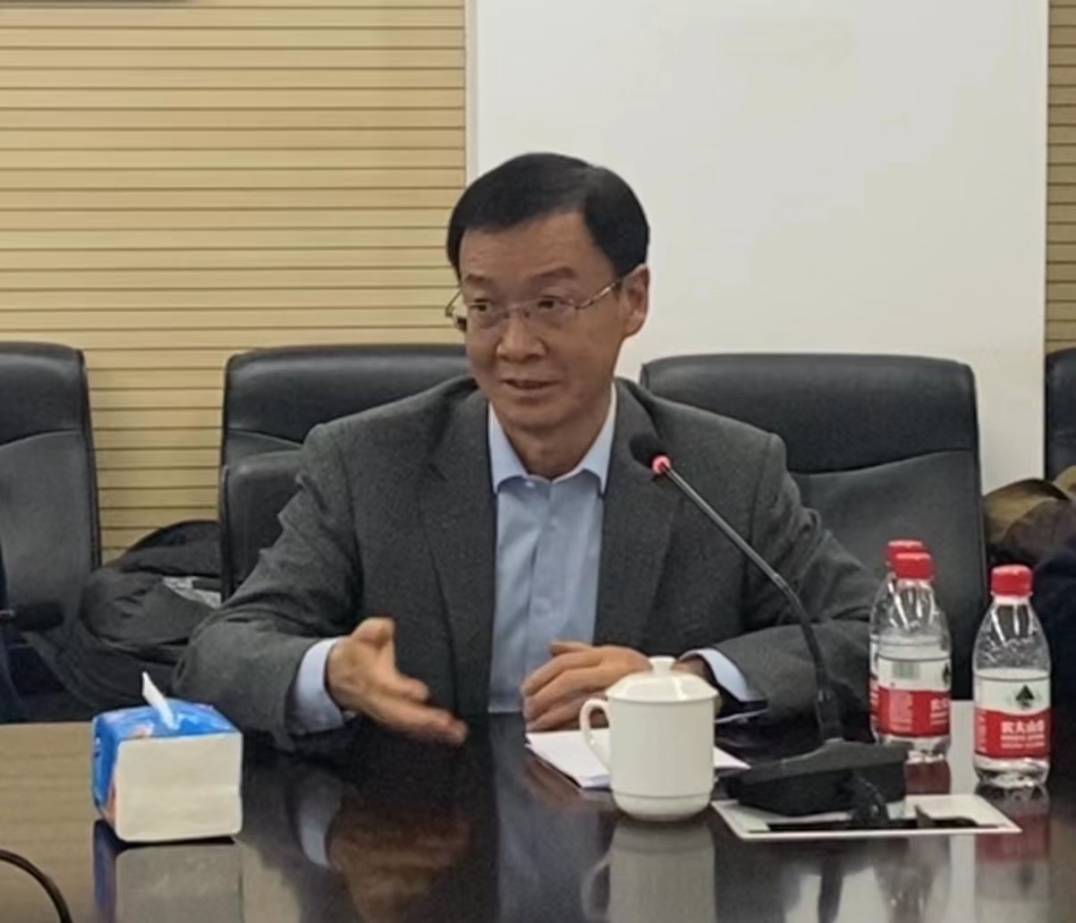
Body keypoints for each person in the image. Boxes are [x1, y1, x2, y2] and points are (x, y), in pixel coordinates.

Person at [175, 152, 875, 750]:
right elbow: (220, 650)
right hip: (422, 833)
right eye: (484, 308)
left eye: (550, 305)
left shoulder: (724, 471)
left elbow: (869, 633)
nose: (514, 346)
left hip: (651, 831)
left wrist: (680, 681)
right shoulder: (368, 462)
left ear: (633, 299)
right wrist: (333, 672)